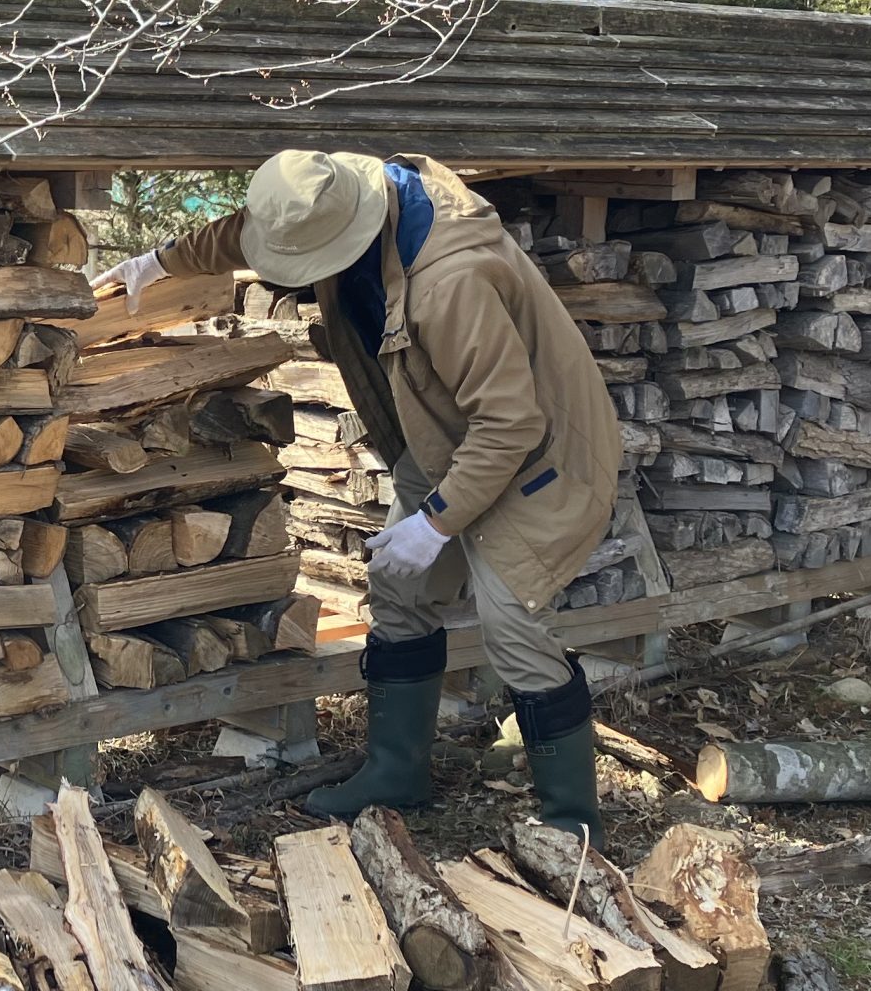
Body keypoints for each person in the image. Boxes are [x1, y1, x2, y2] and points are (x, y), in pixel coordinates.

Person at [98, 150, 622, 845]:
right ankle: (396, 773)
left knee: (513, 624)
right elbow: (247, 232)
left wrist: (436, 525)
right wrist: (158, 262)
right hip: (443, 439)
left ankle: (571, 827)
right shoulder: (337, 195)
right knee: (397, 589)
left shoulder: (452, 283)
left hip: (539, 456)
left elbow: (510, 423)